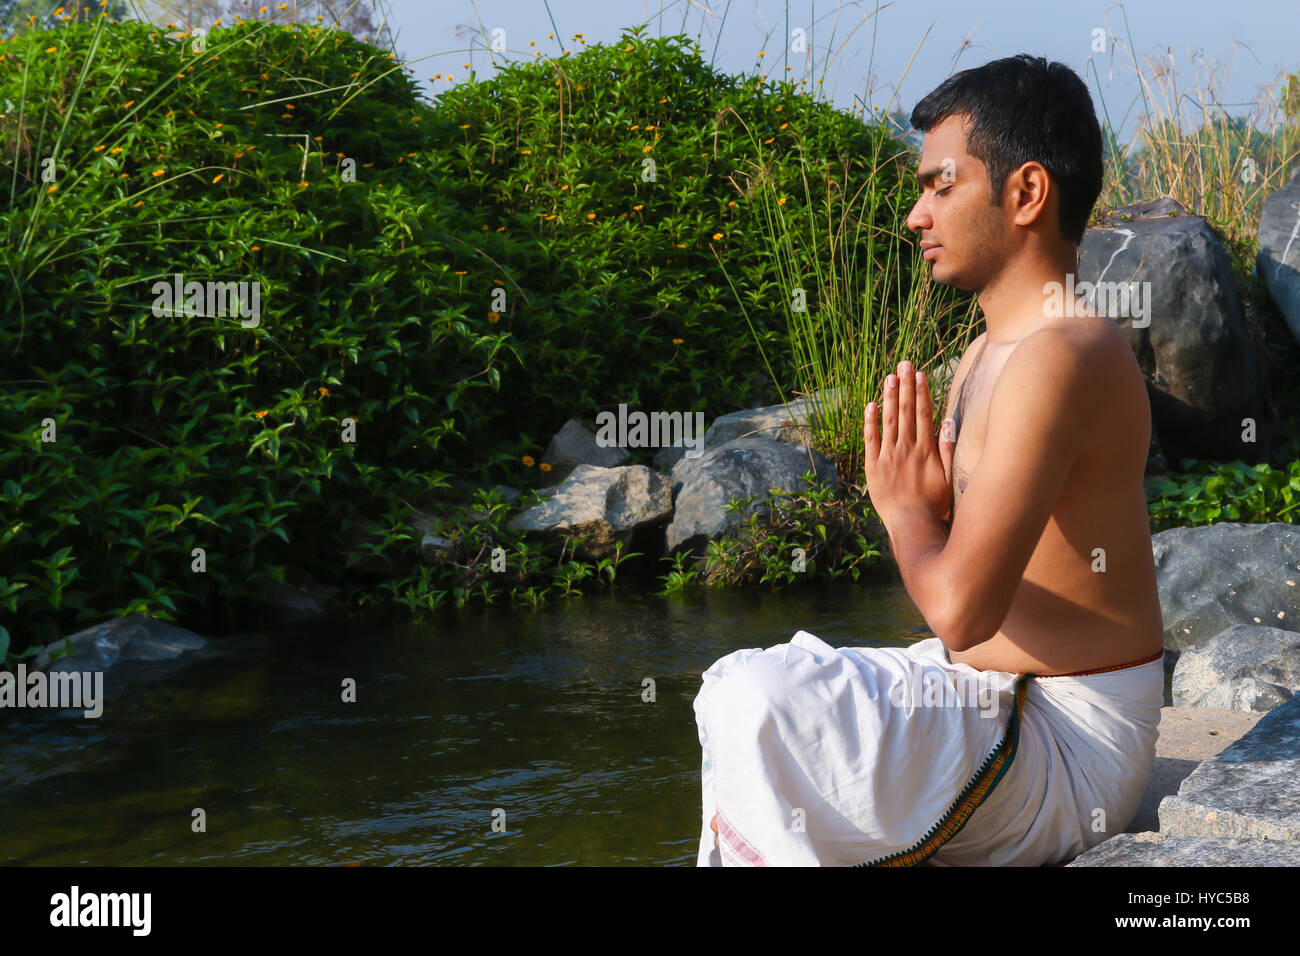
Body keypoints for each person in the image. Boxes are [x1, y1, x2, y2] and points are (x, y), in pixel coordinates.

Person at [693, 53, 1165, 866]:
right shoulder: (988, 351)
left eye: (940, 186)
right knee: (748, 689)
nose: (916, 215)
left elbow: (960, 612)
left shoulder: (1064, 353)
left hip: (1069, 739)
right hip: (1002, 701)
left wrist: (908, 512)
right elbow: (961, 596)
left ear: (1025, 193)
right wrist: (933, 511)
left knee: (756, 700)